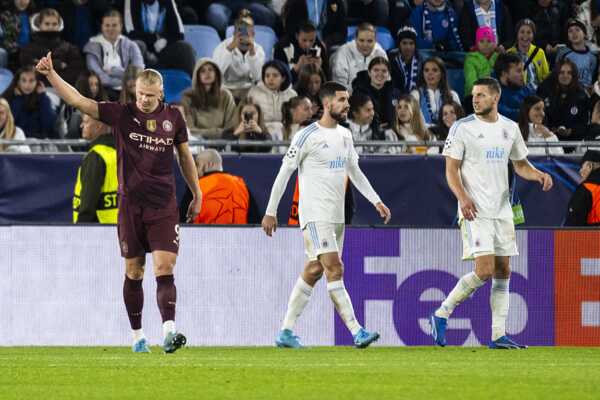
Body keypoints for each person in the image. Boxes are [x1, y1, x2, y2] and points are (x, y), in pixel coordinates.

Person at [36, 52, 202, 354]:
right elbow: (78, 101)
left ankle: (169, 331)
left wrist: (197, 192)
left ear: (161, 94)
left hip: (163, 205)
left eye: (151, 96)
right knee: (134, 271)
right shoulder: (122, 114)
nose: (145, 101)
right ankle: (138, 335)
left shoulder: (174, 118)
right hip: (130, 207)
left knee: (165, 266)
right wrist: (50, 76)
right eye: (141, 95)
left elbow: (185, 157)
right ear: (134, 92)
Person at [261, 81, 392, 349]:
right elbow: (284, 172)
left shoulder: (345, 135)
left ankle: (285, 332)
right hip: (314, 214)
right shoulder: (307, 136)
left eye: (347, 100)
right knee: (335, 267)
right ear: (327, 103)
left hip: (336, 215)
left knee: (314, 269)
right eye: (342, 100)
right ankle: (357, 331)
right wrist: (270, 211)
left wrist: (376, 200)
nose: (347, 105)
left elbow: (354, 170)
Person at [430, 77, 553, 349]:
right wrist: (462, 198)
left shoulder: (509, 128)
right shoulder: (462, 128)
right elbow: (451, 170)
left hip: (502, 210)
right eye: (474, 95)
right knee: (484, 269)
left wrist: (538, 175)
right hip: (475, 210)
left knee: (504, 269)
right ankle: (442, 313)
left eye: (481, 95)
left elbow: (520, 164)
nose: (475, 99)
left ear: (495, 98)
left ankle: (498, 335)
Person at [179, 149, 259, 224]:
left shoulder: (196, 187)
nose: (195, 170)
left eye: (197, 165)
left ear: (209, 164)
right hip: (240, 237)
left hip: (202, 237)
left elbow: (182, 221)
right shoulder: (241, 185)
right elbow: (255, 220)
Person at [123, 0, 196, 77]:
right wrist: (155, 38)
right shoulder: (130, 2)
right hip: (143, 51)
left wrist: (165, 40)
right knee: (136, 45)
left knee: (185, 48)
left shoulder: (168, 2)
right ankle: (132, 86)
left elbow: (179, 33)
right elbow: (131, 33)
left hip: (162, 49)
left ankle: (194, 85)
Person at [83, 9, 145, 97]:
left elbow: (138, 71)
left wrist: (114, 72)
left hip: (129, 89)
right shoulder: (91, 47)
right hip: (104, 90)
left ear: (121, 26)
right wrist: (124, 79)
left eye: (114, 25)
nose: (110, 29)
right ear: (102, 26)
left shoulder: (131, 45)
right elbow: (99, 76)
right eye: (107, 25)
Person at [19, 8, 85, 85]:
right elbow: (28, 72)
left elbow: (76, 71)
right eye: (47, 24)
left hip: (64, 90)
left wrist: (48, 72)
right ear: (39, 25)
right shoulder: (28, 49)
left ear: (59, 25)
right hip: (38, 89)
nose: (51, 27)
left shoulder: (70, 48)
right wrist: (57, 65)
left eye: (54, 24)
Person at [73, 114, 117, 223]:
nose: (81, 125)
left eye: (86, 122)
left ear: (98, 126)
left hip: (98, 229)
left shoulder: (96, 156)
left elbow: (88, 203)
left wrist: (80, 230)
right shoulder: (121, 152)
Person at [212, 9, 265, 101]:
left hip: (249, 90)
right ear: (234, 33)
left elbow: (257, 77)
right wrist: (230, 48)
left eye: (247, 32)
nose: (243, 36)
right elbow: (216, 72)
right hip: (226, 89)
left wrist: (252, 53)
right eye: (240, 31)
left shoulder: (258, 49)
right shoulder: (223, 47)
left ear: (253, 34)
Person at [180, 58, 236, 140]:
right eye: (203, 71)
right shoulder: (187, 97)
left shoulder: (226, 95)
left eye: (210, 69)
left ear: (216, 73)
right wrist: (217, 132)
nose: (207, 73)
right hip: (197, 141)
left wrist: (221, 134)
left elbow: (231, 125)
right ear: (197, 75)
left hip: (223, 141)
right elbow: (189, 129)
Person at [536, 58, 590, 142]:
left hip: (573, 143)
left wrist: (571, 131)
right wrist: (549, 129)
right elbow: (538, 117)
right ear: (556, 74)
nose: (565, 76)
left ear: (574, 75)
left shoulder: (581, 96)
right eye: (561, 72)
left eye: (569, 73)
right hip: (547, 140)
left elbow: (584, 124)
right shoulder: (545, 90)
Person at [247, 59, 298, 140]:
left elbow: (294, 118)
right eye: (267, 76)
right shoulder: (254, 92)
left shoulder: (292, 94)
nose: (270, 79)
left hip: (286, 132)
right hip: (261, 132)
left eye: (275, 75)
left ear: (283, 78)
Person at [4, 65, 57, 140]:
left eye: (31, 80)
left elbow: (48, 125)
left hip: (38, 141)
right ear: (18, 82)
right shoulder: (8, 98)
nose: (27, 85)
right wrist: (18, 100)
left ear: (37, 82)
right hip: (14, 141)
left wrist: (43, 97)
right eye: (23, 80)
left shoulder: (43, 99)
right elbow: (9, 125)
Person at [331, 22, 387, 90]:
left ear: (375, 41)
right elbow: (339, 86)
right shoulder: (343, 52)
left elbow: (386, 82)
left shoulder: (380, 53)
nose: (365, 45)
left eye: (369, 41)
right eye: (361, 40)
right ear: (355, 39)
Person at [410, 56, 461, 125]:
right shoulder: (415, 95)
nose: (430, 73)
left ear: (442, 73)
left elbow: (459, 121)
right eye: (426, 70)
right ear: (422, 74)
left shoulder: (452, 95)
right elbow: (413, 122)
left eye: (435, 70)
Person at [351, 57, 399, 128]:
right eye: (376, 70)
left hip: (392, 131)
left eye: (384, 71)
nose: (380, 74)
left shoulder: (395, 93)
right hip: (365, 133)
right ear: (369, 73)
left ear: (388, 74)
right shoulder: (358, 93)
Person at [280, 0, 347, 48]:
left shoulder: (336, 2)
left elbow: (342, 32)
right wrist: (305, 42)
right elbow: (290, 30)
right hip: (301, 45)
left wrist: (326, 43)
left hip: (328, 46)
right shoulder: (295, 2)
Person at [506, 19, 550, 90]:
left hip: (536, 92)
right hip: (516, 92)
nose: (525, 36)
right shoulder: (509, 53)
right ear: (517, 34)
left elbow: (545, 76)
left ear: (533, 35)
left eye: (529, 32)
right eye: (522, 32)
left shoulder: (539, 52)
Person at [555, 19, 598, 90]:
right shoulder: (563, 54)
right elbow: (557, 75)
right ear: (568, 37)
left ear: (585, 34)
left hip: (587, 95)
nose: (574, 33)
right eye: (570, 31)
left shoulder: (593, 56)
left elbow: (593, 78)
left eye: (577, 30)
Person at [494, 52, 535, 121]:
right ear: (504, 73)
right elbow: (505, 114)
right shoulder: (491, 92)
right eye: (519, 71)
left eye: (523, 70)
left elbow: (537, 104)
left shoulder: (525, 89)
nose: (523, 75)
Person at [564, 149, 600, 226]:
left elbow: (573, 223)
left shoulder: (586, 189)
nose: (580, 171)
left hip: (592, 236)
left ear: (589, 166)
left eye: (582, 166)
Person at [464, 26, 498, 105]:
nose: (485, 44)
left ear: (494, 43)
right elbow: (471, 83)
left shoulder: (499, 58)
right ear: (477, 43)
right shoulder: (470, 59)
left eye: (489, 41)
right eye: (481, 41)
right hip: (472, 96)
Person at [388, 26, 422, 95]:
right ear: (399, 44)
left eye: (411, 43)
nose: (408, 47)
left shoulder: (421, 61)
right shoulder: (390, 59)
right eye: (404, 43)